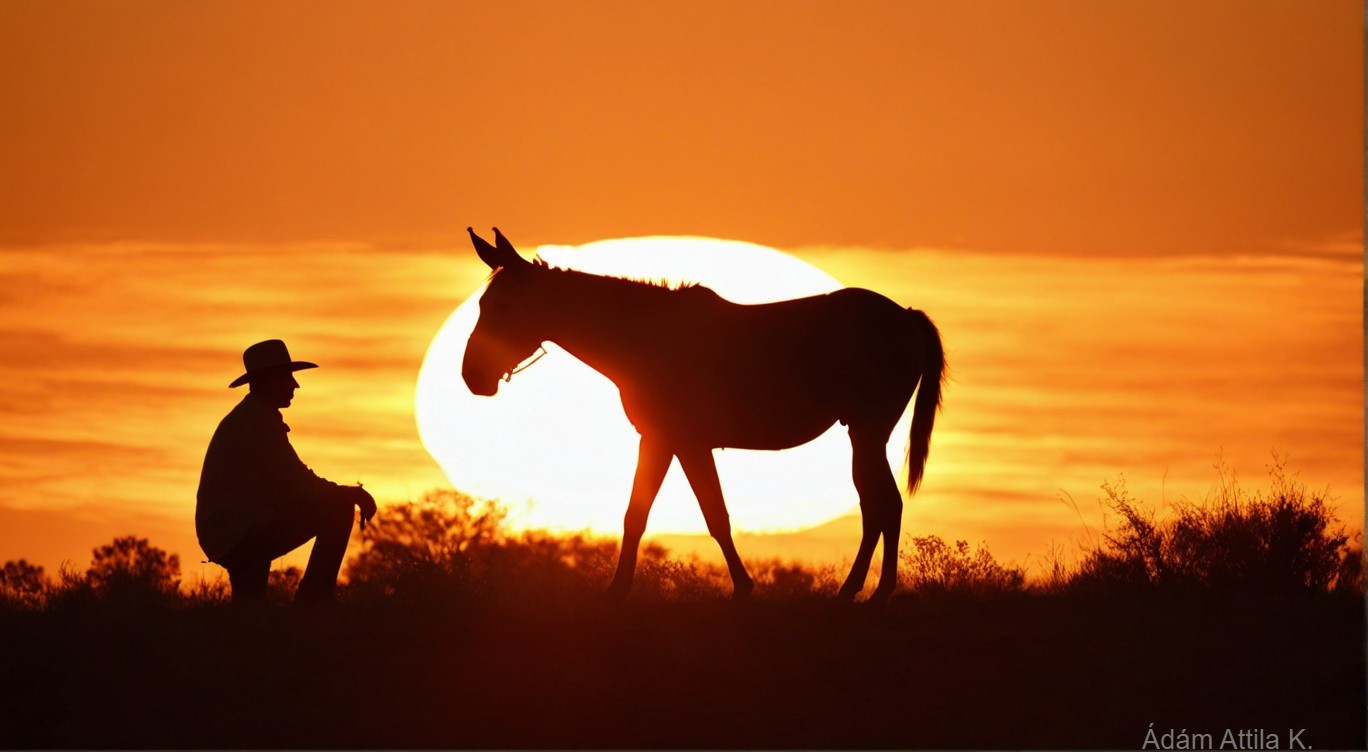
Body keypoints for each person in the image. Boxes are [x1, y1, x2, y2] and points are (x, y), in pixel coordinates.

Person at [196, 339, 377, 604]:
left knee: (249, 612)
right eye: (288, 377)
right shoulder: (256, 421)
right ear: (270, 380)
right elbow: (300, 482)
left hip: (232, 531)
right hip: (239, 532)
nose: (295, 385)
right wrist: (349, 494)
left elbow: (293, 485)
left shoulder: (252, 418)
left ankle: (261, 615)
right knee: (338, 508)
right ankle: (313, 604)